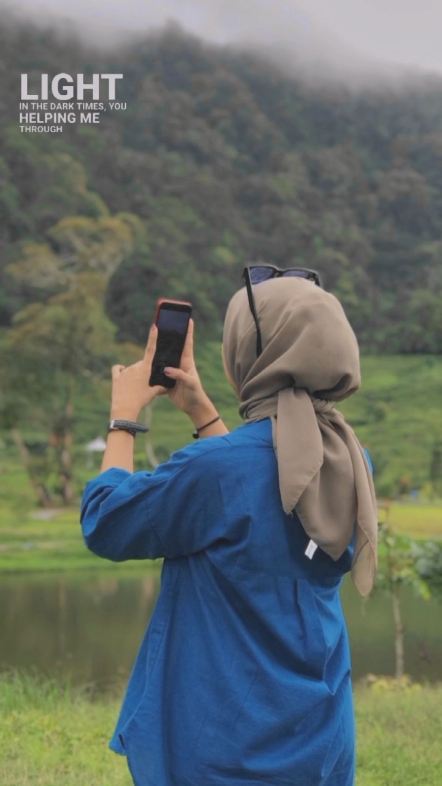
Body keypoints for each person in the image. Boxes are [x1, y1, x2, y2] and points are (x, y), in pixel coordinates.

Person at [80, 271, 378, 786]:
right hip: (318, 737)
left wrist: (123, 418)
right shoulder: (352, 460)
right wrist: (202, 412)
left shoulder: (218, 470)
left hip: (224, 744)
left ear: (249, 356)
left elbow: (106, 520)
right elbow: (256, 490)